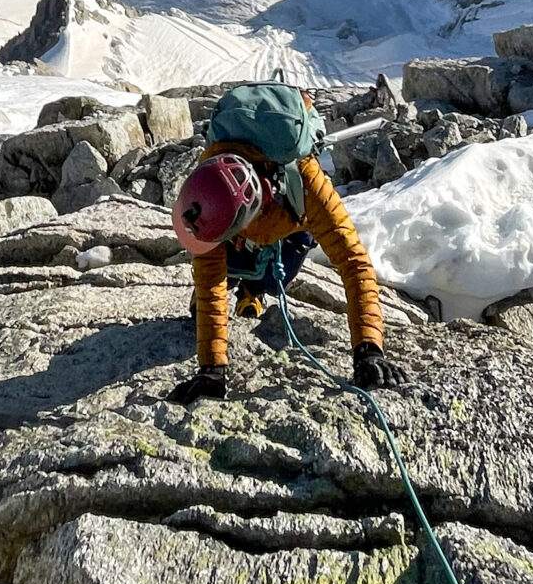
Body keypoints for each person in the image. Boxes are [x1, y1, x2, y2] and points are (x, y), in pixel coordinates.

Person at [168, 118, 392, 402]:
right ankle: (239, 284)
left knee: (276, 280)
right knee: (224, 272)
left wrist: (368, 349)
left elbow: (353, 261)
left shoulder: (307, 182)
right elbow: (210, 275)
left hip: (287, 229)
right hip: (249, 221)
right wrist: (212, 368)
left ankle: (255, 290)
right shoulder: (209, 192)